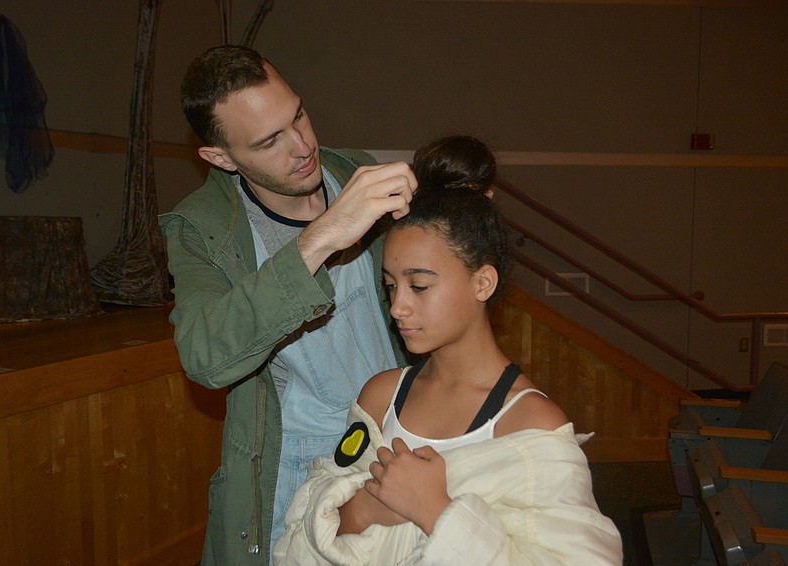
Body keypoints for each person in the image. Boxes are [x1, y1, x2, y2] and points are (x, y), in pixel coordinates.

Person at [274, 136, 624, 565]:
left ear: (483, 283)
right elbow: (307, 530)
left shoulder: (530, 425)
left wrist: (435, 511)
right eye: (390, 286)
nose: (398, 306)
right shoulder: (381, 396)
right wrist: (364, 508)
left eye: (419, 286)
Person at [158, 45, 416, 565]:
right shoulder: (201, 230)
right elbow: (205, 356)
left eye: (297, 114)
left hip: (396, 442)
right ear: (221, 157)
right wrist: (322, 237)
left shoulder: (359, 174)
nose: (301, 146)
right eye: (269, 141)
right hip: (290, 467)